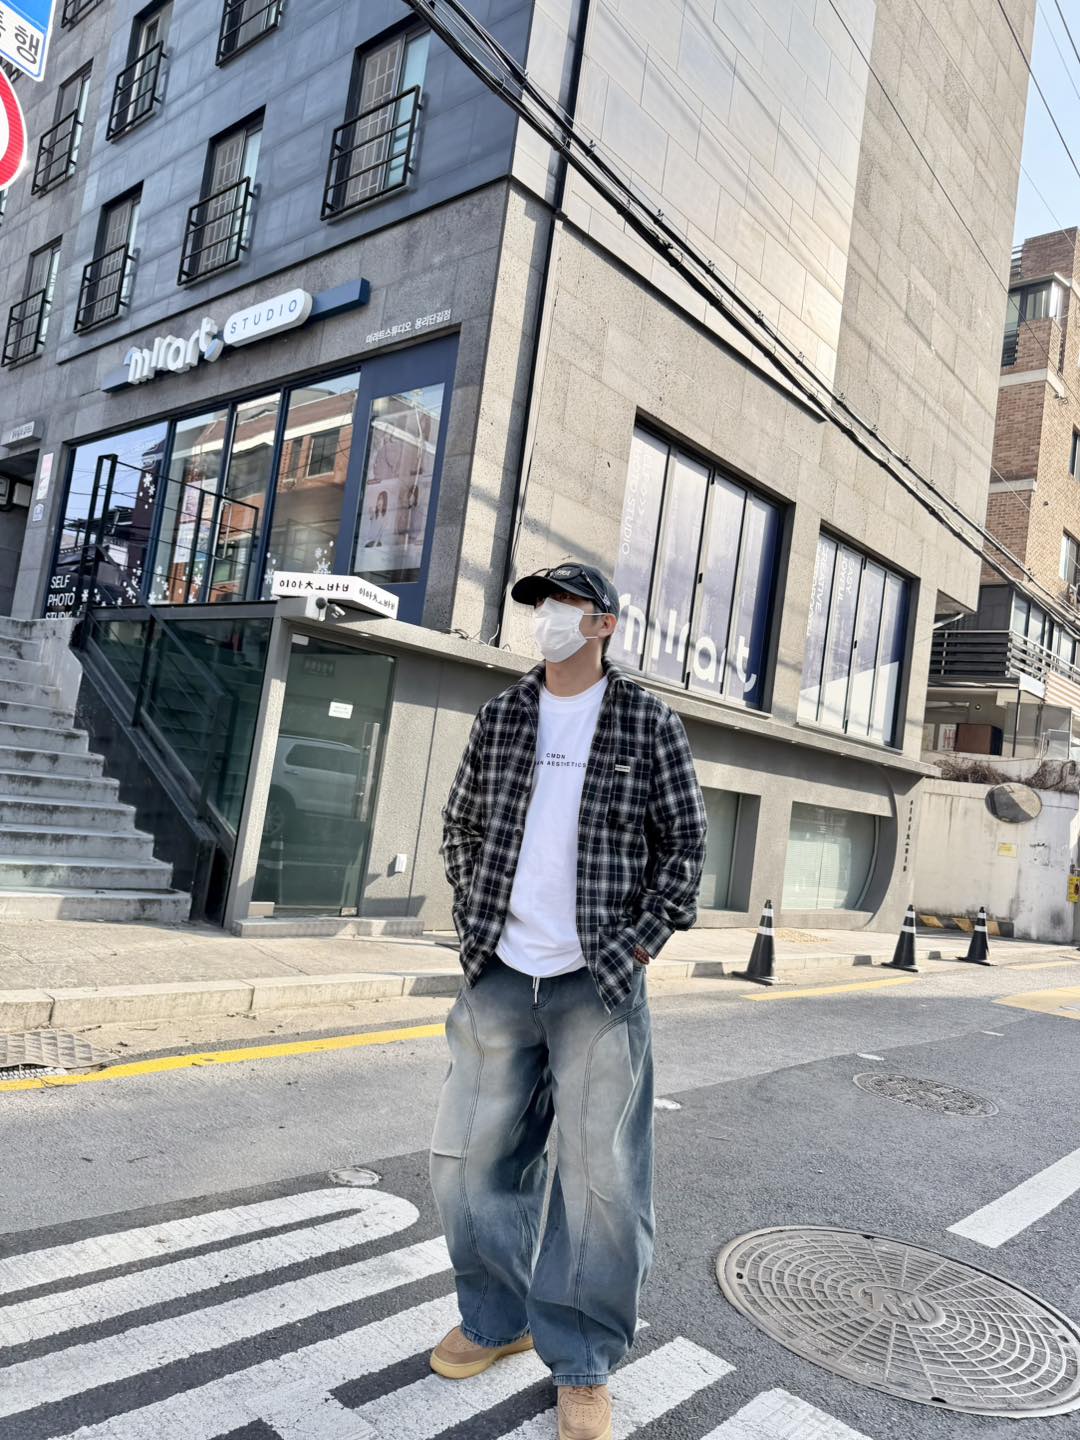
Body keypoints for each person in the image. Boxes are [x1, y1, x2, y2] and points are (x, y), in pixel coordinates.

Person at [430, 562, 707, 1440]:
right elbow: (461, 826)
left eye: (563, 605)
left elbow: (685, 849)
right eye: (538, 605)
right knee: (470, 1161)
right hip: (501, 972)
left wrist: (637, 944)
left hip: (598, 981)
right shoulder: (503, 715)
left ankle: (583, 1361)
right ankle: (495, 1319)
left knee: (601, 1182)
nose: (546, 617)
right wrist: (478, 919)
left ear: (604, 624)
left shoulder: (648, 723)